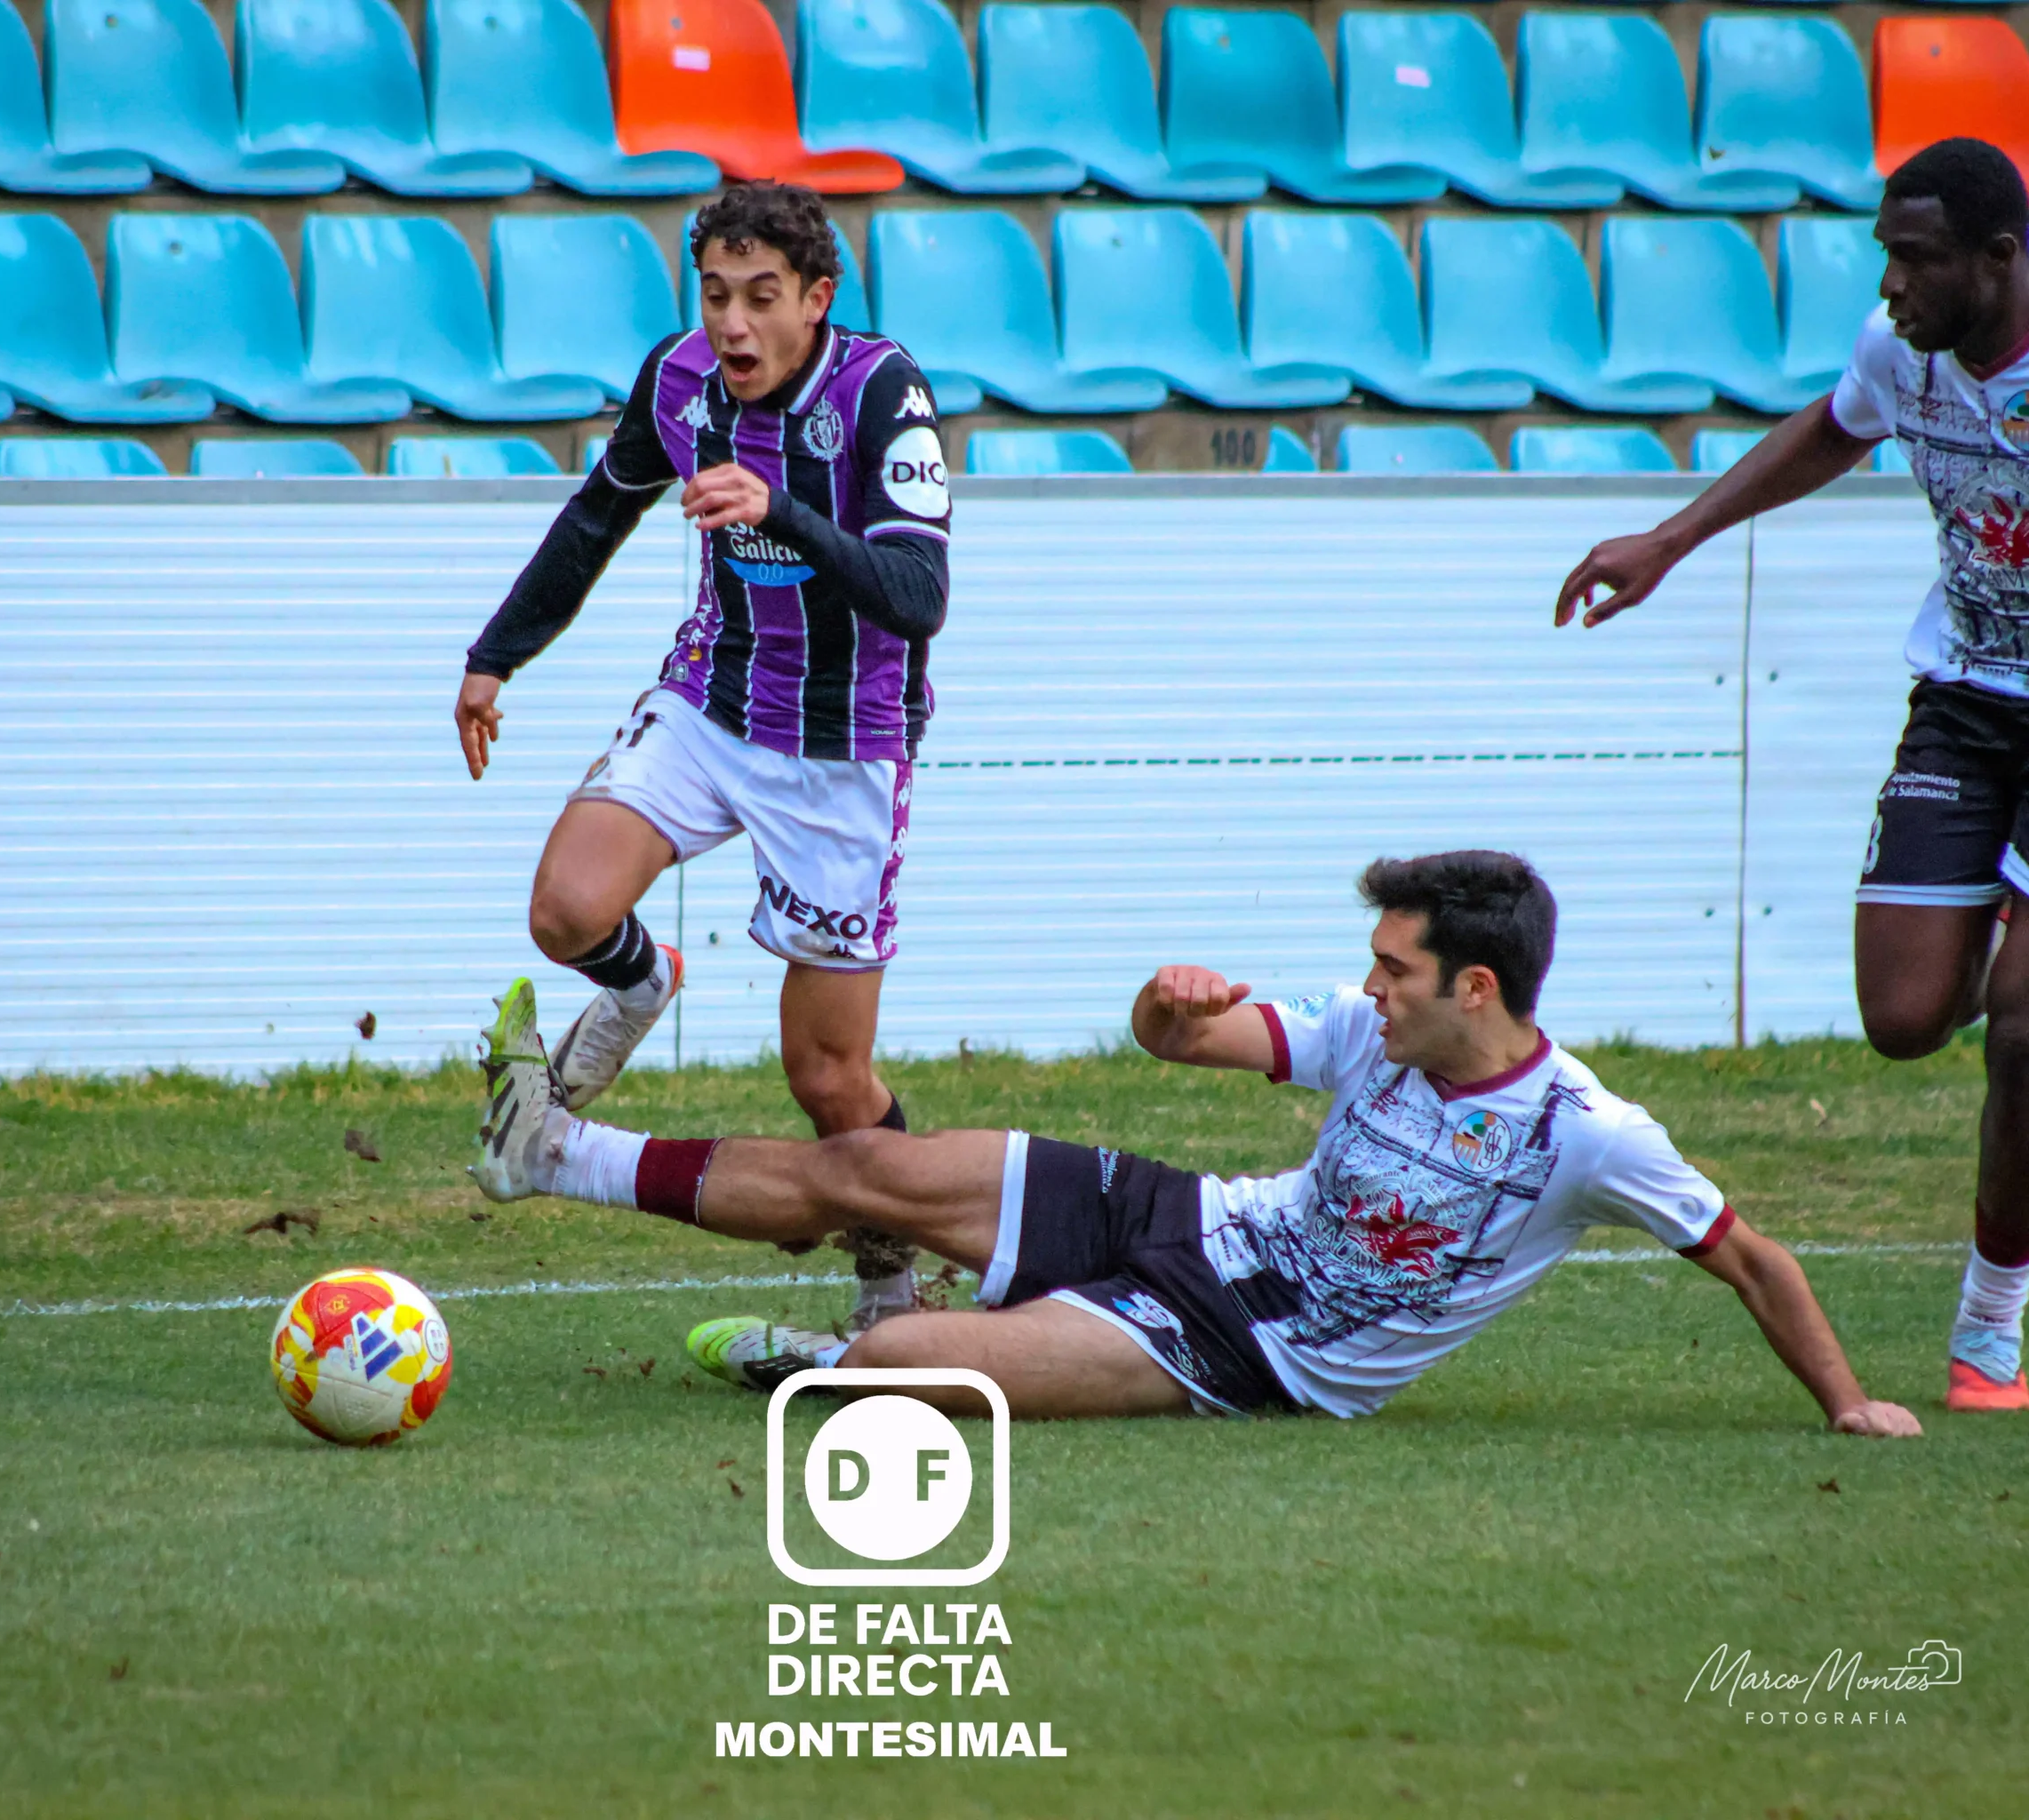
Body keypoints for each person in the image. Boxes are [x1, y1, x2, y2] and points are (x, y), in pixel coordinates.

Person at [477, 850, 1921, 1435]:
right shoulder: (1373, 1033)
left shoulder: (1591, 1136)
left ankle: (826, 1362)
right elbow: (1184, 1044)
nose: (1370, 987)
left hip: (1247, 1352)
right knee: (875, 1174)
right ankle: (553, 1156)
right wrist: (1169, 1010)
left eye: (1395, 968)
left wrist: (1849, 1403)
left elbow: (1752, 1258)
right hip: (1196, 1213)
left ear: (1475, 990)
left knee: (901, 1369)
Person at [1554, 138, 2029, 1414]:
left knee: (2025, 1020)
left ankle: (1992, 1320)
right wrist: (1671, 539)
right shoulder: (1902, 353)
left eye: (1916, 259)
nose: (1892, 284)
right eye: (1885, 253)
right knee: (1905, 1019)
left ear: (2000, 261)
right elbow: (1833, 429)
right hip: (1968, 704)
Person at [455, 181, 954, 1329]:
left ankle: (890, 1291)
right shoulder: (679, 379)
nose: (732, 324)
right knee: (564, 912)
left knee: (828, 1080)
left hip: (843, 749)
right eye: (716, 294)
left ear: (817, 300)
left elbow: (919, 597)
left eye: (762, 299)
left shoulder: (884, 391)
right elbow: (597, 515)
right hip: (711, 704)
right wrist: (496, 657)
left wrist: (779, 511)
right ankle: (642, 983)